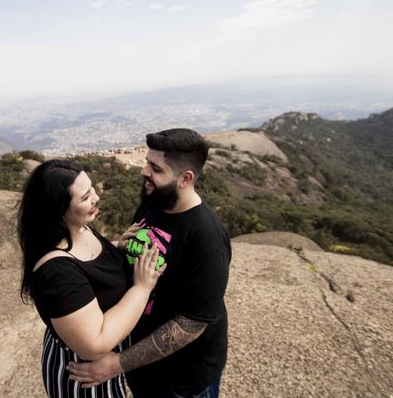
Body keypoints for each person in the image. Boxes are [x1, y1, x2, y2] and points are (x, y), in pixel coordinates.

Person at [67, 128, 232, 398]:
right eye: (147, 162)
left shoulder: (206, 238)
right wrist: (121, 250)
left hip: (181, 380)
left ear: (185, 178)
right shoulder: (155, 202)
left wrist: (116, 364)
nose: (144, 171)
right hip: (144, 369)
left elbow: (191, 324)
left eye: (155, 168)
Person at [18, 159, 166, 398]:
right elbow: (94, 343)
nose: (96, 198)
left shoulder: (79, 227)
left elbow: (90, 271)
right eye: (85, 197)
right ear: (59, 211)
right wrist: (142, 287)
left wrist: (117, 250)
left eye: (92, 189)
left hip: (102, 367)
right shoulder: (57, 272)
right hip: (83, 375)